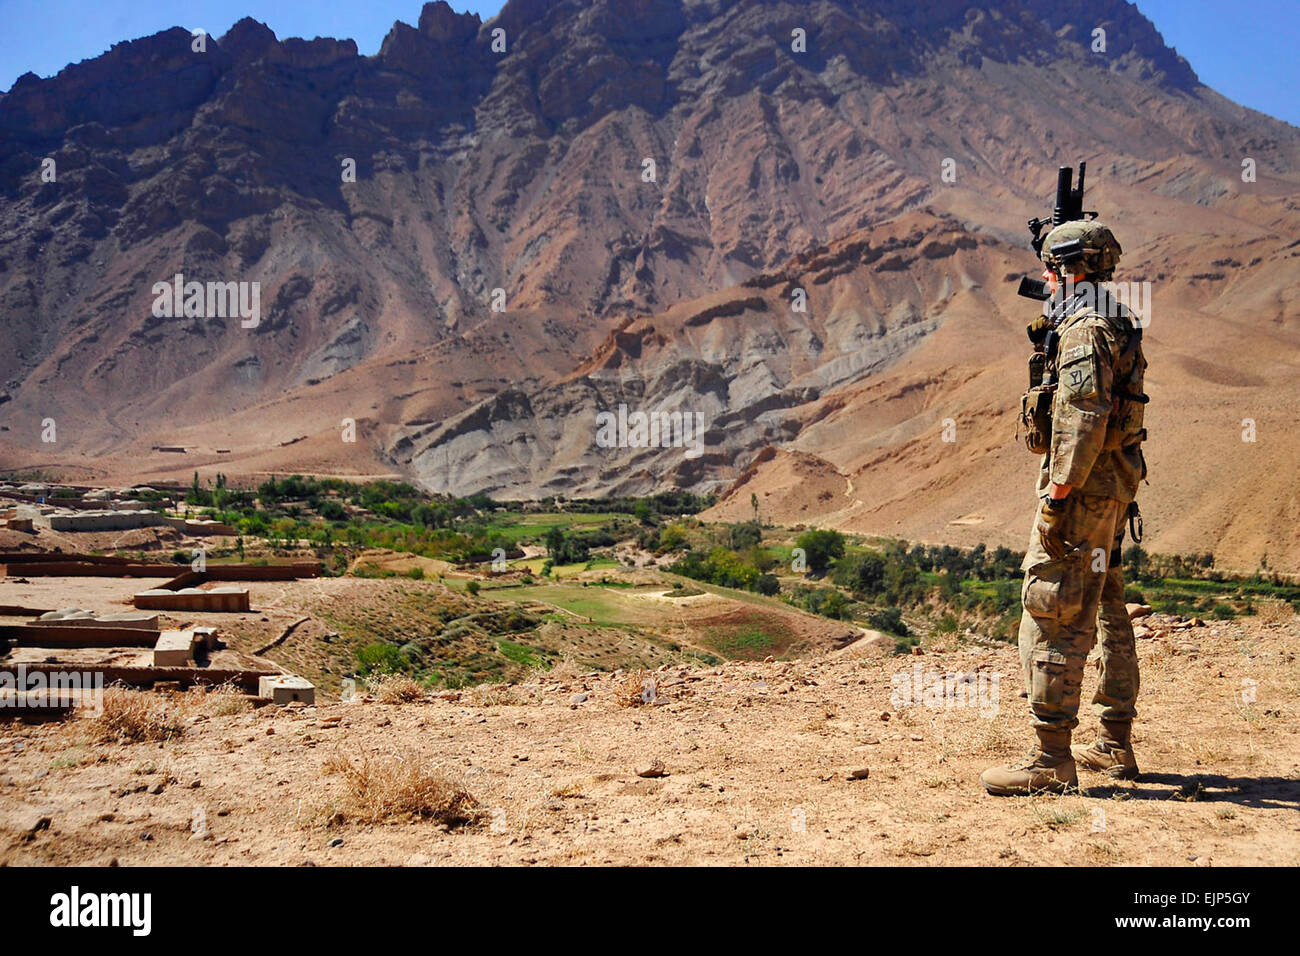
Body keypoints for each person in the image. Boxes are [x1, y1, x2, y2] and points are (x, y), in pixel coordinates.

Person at [981, 220, 1148, 796]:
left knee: (1052, 611)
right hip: (1114, 489)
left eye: (1049, 269)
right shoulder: (1116, 317)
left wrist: (1057, 496)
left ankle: (1051, 758)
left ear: (1068, 269)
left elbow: (1081, 418)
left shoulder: (1083, 329)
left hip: (1081, 494)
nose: (1044, 280)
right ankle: (1113, 744)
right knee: (1107, 609)